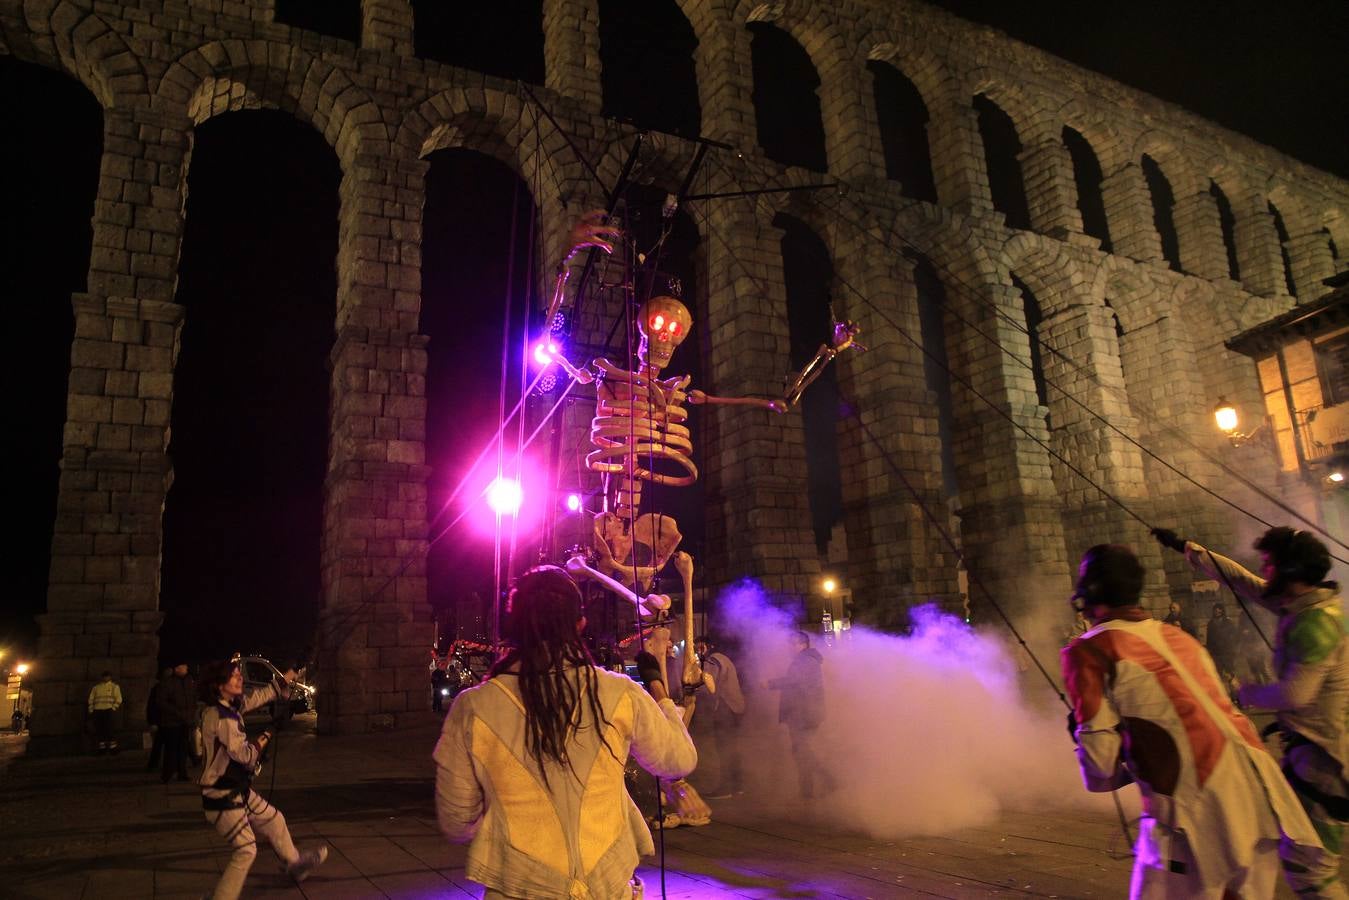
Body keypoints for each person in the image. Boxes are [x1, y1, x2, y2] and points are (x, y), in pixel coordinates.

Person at [1063, 543, 1325, 898]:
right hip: (1261, 798)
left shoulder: (1089, 651)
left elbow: (1099, 771)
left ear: (1089, 591)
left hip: (1196, 817)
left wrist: (1086, 737)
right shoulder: (1179, 638)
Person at [433, 565, 697, 899]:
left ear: (513, 627)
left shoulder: (473, 708)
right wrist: (658, 687)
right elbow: (678, 760)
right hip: (606, 887)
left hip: (518, 887)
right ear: (580, 624)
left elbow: (456, 820)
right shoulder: (619, 693)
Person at [1154, 525, 1349, 899]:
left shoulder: (1315, 624)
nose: (1266, 571)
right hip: (1313, 754)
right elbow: (1243, 582)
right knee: (1301, 857)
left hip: (1327, 763)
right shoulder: (1305, 605)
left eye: (1271, 565)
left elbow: (1295, 694)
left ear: (1291, 572)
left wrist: (1245, 692)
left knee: (1313, 870)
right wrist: (1186, 547)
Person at [197, 659, 327, 900]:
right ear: (219, 685)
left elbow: (260, 696)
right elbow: (245, 756)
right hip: (222, 795)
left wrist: (291, 673)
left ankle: (295, 864)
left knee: (275, 820)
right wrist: (268, 732)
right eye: (234, 676)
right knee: (246, 850)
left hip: (235, 790)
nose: (240, 678)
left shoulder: (223, 709)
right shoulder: (224, 718)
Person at [767, 630, 833, 800]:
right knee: (801, 751)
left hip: (802, 714)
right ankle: (808, 790)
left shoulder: (804, 660)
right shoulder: (808, 659)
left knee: (801, 751)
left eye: (792, 644)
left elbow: (793, 681)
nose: (789, 647)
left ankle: (828, 780)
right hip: (806, 712)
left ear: (803, 644)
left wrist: (769, 684)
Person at [693, 635, 746, 799]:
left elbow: (710, 685)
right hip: (735, 708)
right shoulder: (724, 658)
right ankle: (737, 786)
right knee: (732, 748)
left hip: (725, 708)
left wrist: (692, 689)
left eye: (700, 648)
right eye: (696, 648)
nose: (698, 651)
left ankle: (725, 788)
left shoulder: (713, 660)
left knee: (724, 748)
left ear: (709, 646)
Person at [159, 660, 196, 782]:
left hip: (185, 721)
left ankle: (182, 773)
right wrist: (176, 712)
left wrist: (191, 713)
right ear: (177, 669)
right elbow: (161, 701)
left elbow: (192, 698)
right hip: (172, 722)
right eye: (183, 666)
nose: (186, 667)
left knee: (183, 749)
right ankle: (167, 774)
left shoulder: (189, 681)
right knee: (171, 749)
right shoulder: (168, 683)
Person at [87, 671, 122, 754]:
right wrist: (91, 709)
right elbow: (91, 699)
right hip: (98, 710)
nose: (106, 678)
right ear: (102, 677)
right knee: (100, 729)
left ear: (110, 677)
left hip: (108, 710)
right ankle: (102, 748)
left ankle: (113, 748)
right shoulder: (96, 687)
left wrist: (114, 708)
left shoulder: (114, 686)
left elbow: (119, 698)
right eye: (104, 676)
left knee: (110, 728)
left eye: (107, 676)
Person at [1205, 603, 1239, 685]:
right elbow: (1209, 639)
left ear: (1222, 611)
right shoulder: (1210, 624)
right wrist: (1209, 650)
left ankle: (1234, 691)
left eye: (1219, 609)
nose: (1217, 611)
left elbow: (1235, 635)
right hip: (1216, 654)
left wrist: (1233, 647)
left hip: (1227, 653)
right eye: (1215, 609)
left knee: (1230, 674)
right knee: (1218, 675)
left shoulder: (1228, 622)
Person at [145, 668, 168, 771]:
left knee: (160, 743)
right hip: (161, 720)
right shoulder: (158, 689)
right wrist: (153, 722)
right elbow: (152, 706)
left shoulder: (161, 688)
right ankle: (154, 764)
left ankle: (154, 764)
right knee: (159, 743)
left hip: (165, 720)